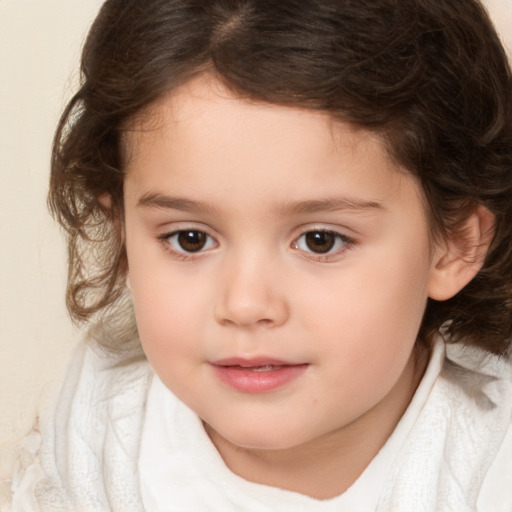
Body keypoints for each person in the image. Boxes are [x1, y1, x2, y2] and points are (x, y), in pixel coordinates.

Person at [8, 0, 512, 510]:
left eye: (321, 240)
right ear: (123, 238)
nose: (246, 304)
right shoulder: (96, 428)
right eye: (190, 239)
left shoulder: (491, 467)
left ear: (454, 245)